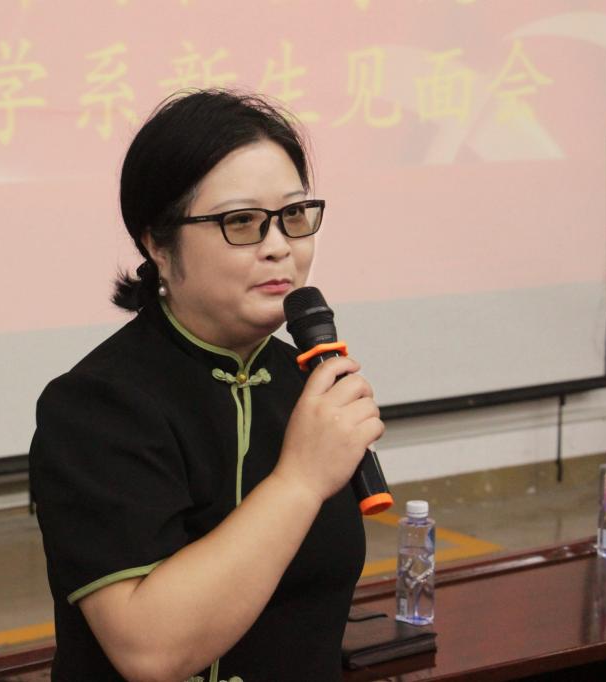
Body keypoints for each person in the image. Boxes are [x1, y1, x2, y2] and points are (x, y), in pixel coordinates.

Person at [29, 89, 384, 682]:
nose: (279, 246)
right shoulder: (97, 405)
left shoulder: (306, 383)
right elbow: (150, 651)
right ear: (158, 243)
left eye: (295, 215)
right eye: (241, 222)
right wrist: (299, 481)